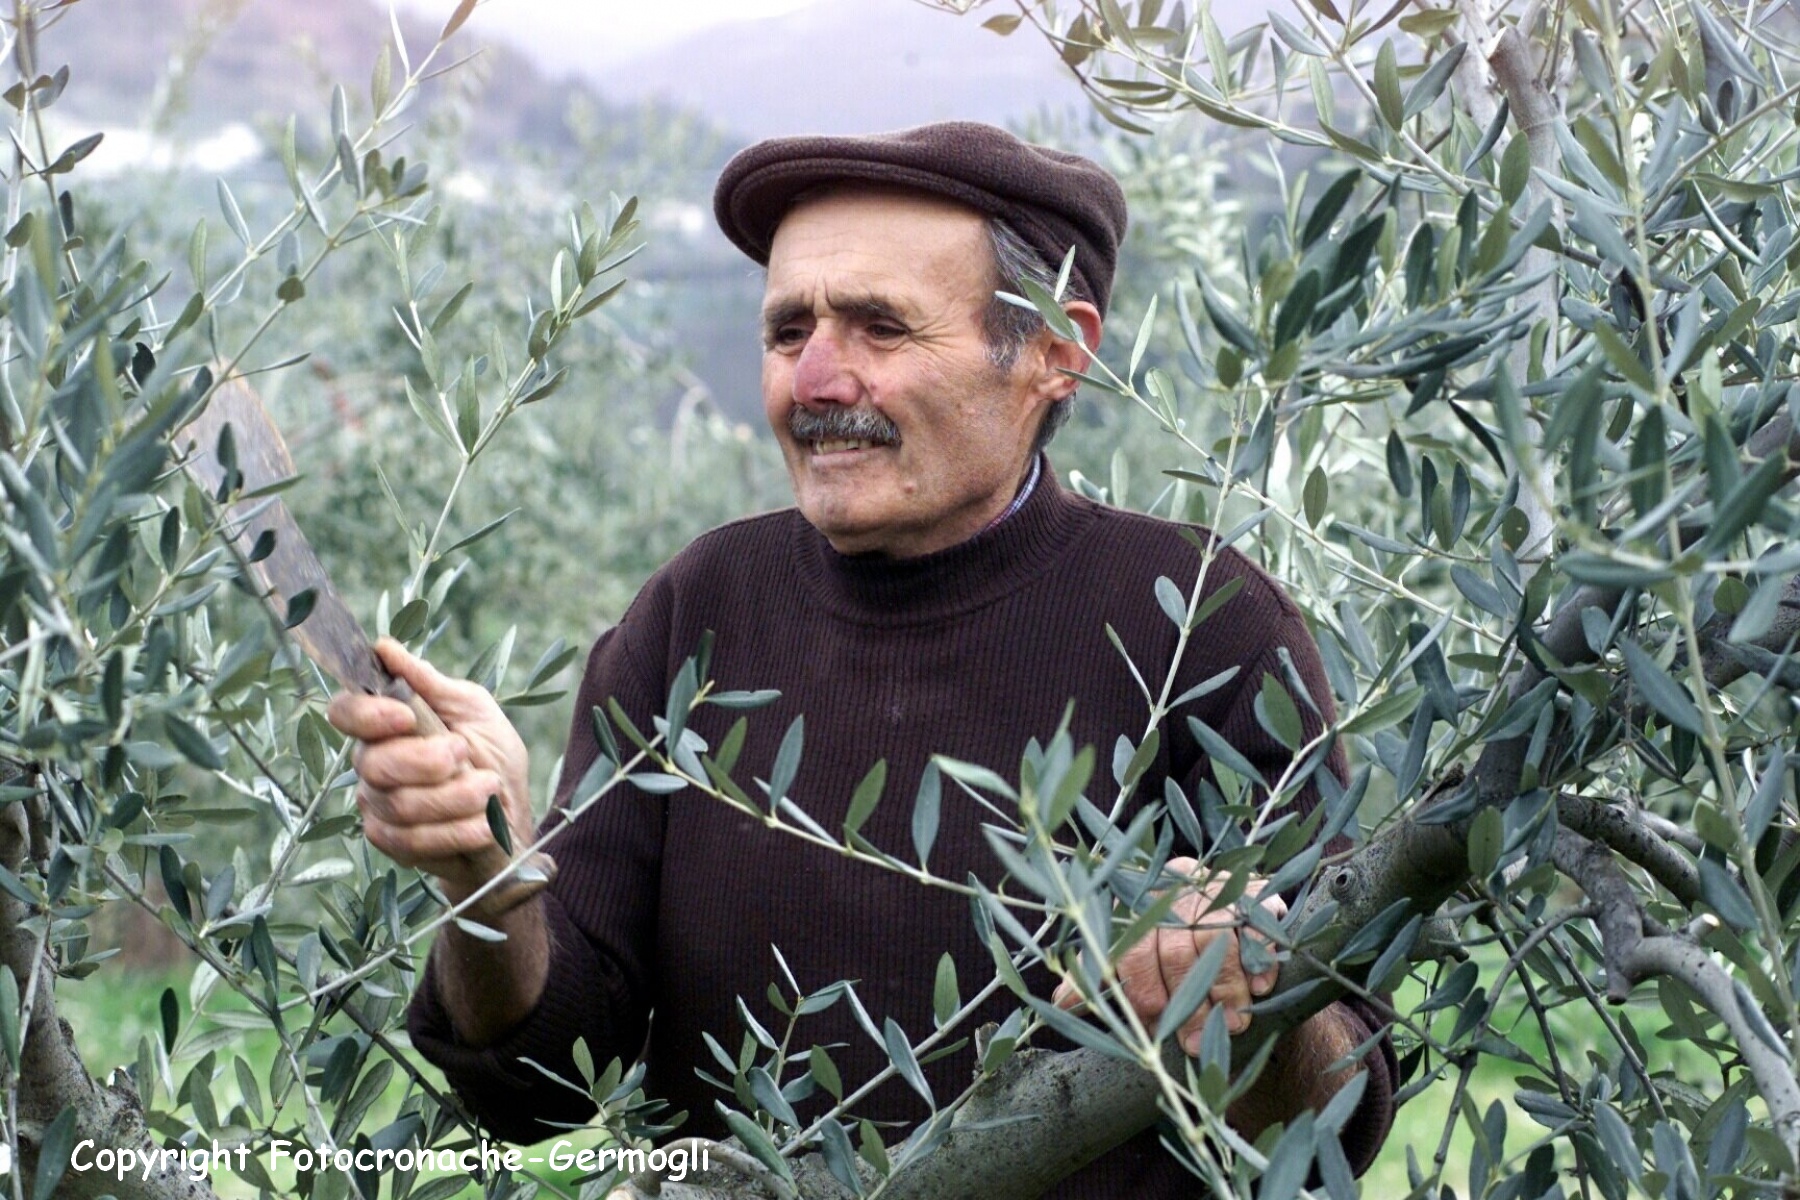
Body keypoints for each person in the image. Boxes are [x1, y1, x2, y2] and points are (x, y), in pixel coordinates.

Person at [328, 122, 1395, 1194]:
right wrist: (490, 886)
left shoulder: (1203, 625)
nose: (818, 380)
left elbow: (1338, 1114)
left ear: (1054, 352)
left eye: (880, 327)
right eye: (790, 332)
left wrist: (1242, 982)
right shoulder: (695, 616)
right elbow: (540, 1087)